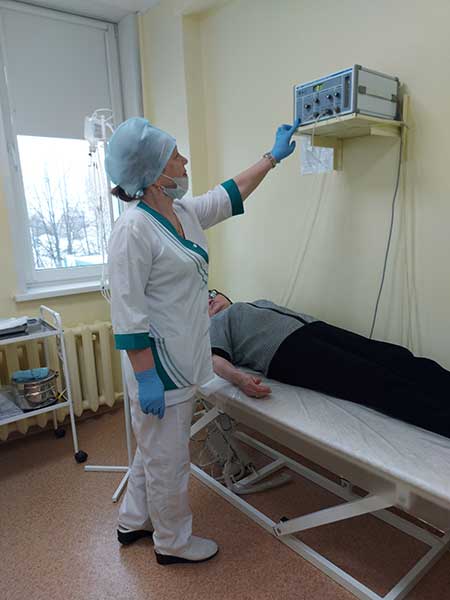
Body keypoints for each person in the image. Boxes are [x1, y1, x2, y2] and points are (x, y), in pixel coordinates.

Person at [106, 117, 300, 565]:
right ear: (155, 173)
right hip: (158, 368)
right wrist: (147, 378)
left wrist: (271, 158)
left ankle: (133, 520)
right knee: (168, 461)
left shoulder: (182, 213)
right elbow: (128, 314)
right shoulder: (133, 229)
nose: (185, 160)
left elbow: (228, 195)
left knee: (153, 451)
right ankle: (172, 544)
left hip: (183, 357)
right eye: (175, 155)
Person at [208, 293, 450, 439]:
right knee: (378, 381)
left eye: (212, 294)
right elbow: (215, 359)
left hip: (316, 329)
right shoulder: (215, 324)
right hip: (286, 353)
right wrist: (240, 379)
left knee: (395, 357)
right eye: (202, 303)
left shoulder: (254, 303)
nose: (210, 300)